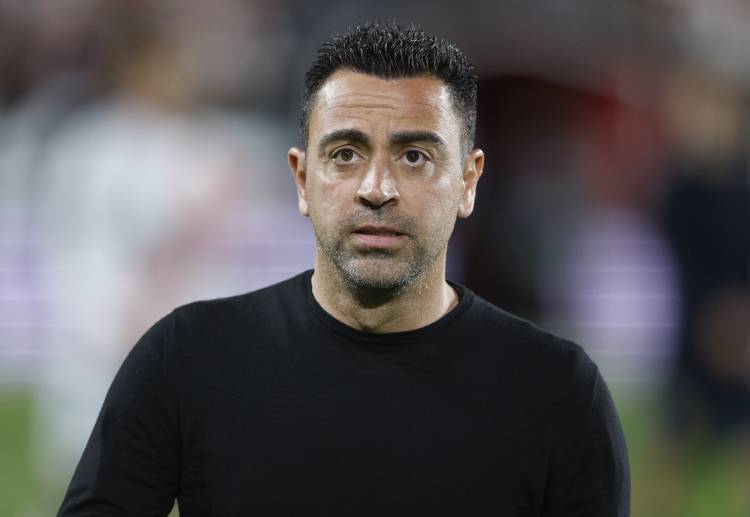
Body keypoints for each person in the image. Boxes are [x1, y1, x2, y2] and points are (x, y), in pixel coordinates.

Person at [57, 21, 630, 516]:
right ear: (302, 179)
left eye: (414, 157)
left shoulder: (558, 393)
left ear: (468, 182)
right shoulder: (185, 360)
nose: (376, 188)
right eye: (346, 154)